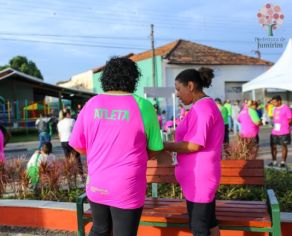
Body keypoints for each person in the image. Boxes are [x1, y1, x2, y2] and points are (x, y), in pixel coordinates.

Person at [69, 57, 167, 236]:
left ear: (106, 78)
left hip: (97, 183)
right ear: (133, 79)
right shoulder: (144, 106)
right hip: (127, 185)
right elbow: (154, 148)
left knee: (99, 229)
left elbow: (78, 145)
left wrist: (98, 155)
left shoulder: (91, 104)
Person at [164, 67, 223, 236]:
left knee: (199, 228)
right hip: (197, 178)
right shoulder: (201, 106)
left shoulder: (202, 108)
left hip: (200, 178)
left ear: (190, 86)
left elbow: (194, 145)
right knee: (209, 224)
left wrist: (164, 145)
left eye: (178, 89)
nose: (177, 94)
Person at [57, 109, 84, 178]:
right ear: (68, 114)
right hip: (71, 141)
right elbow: (77, 131)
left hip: (63, 142)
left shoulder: (59, 123)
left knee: (67, 159)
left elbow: (59, 134)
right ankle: (81, 175)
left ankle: (69, 175)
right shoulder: (72, 120)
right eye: (70, 113)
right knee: (77, 157)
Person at [269, 95, 292, 168]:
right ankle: (274, 161)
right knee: (273, 146)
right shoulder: (274, 108)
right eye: (272, 102)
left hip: (284, 131)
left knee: (283, 146)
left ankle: (283, 162)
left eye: (275, 102)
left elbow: (290, 118)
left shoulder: (286, 108)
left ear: (279, 101)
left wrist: (285, 125)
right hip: (275, 131)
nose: (273, 103)